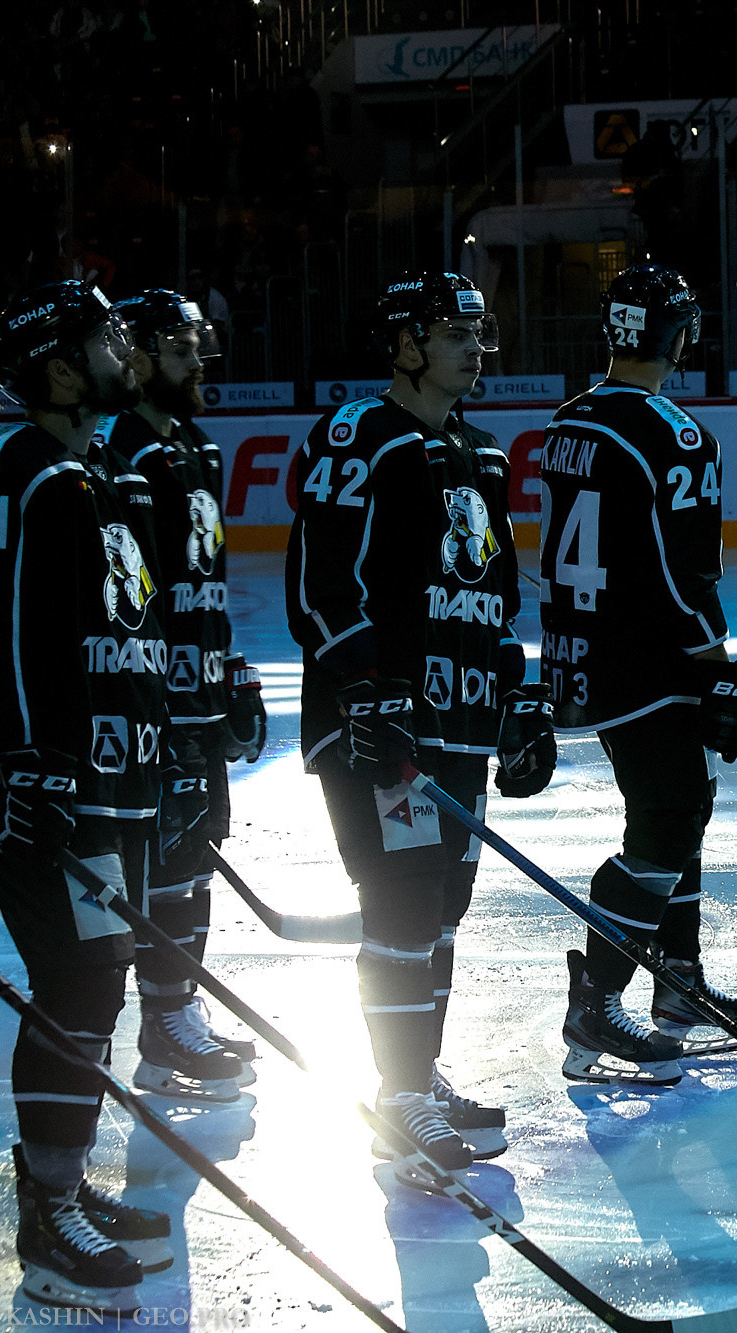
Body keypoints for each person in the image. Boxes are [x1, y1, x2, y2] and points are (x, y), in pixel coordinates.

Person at [0, 281, 176, 1312]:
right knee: (76, 979)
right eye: (100, 337)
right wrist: (21, 762)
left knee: (97, 980)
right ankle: (48, 1215)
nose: (122, 347)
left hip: (97, 784)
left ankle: (66, 1181)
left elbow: (105, 637)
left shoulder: (84, 470)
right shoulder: (19, 469)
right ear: (60, 366)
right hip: (48, 790)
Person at [285, 272, 553, 1178]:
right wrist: (366, 689)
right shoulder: (358, 436)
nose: (475, 346)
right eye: (451, 332)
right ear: (402, 344)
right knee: (401, 898)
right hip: (379, 727)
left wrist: (517, 696)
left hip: (460, 725)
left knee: (445, 903)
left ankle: (418, 1077)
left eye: (480, 329)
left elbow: (495, 599)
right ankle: (397, 1097)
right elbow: (323, 584)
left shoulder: (480, 453)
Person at [539, 265, 737, 1077]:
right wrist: (719, 667)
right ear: (677, 336)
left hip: (582, 650)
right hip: (650, 656)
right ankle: (597, 1002)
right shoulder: (676, 434)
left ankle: (678, 984)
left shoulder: (570, 420)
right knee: (669, 816)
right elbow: (684, 574)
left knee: (680, 804)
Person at [97, 290, 268, 1103]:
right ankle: (163, 1018)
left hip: (198, 695)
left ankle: (178, 1010)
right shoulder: (121, 453)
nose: (198, 359)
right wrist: (148, 703)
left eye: (201, 342)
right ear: (133, 356)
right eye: (178, 345)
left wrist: (232, 676)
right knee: (166, 860)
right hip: (155, 707)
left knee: (197, 849)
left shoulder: (195, 448)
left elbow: (205, 587)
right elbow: (131, 599)